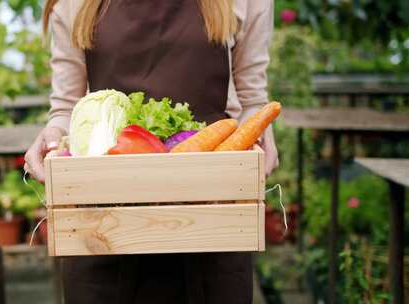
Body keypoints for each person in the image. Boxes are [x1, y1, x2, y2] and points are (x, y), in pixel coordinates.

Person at [24, 0, 278, 303]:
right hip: (105, 223)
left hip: (210, 215)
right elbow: (67, 105)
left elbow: (252, 98)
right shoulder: (75, 3)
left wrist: (260, 137)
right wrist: (53, 136)